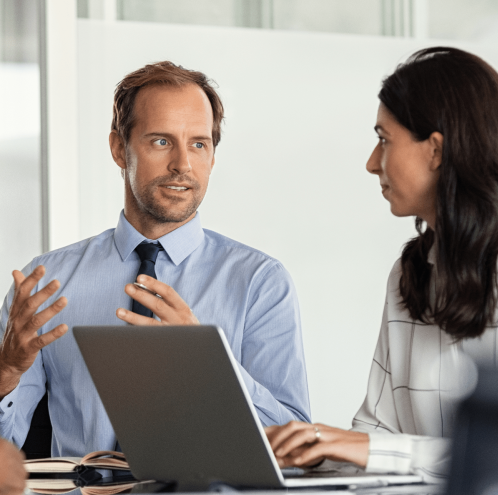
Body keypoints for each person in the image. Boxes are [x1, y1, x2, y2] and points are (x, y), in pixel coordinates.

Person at [266, 47, 498, 482]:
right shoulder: (409, 274)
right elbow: (376, 433)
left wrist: (374, 450)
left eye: (384, 139)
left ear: (435, 150)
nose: (372, 163)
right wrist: (315, 451)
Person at [0, 61, 310, 457]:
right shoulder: (45, 283)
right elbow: (5, 451)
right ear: (118, 148)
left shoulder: (260, 283)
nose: (183, 163)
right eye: (161, 141)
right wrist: (6, 372)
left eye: (199, 143)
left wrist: (206, 367)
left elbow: (294, 448)